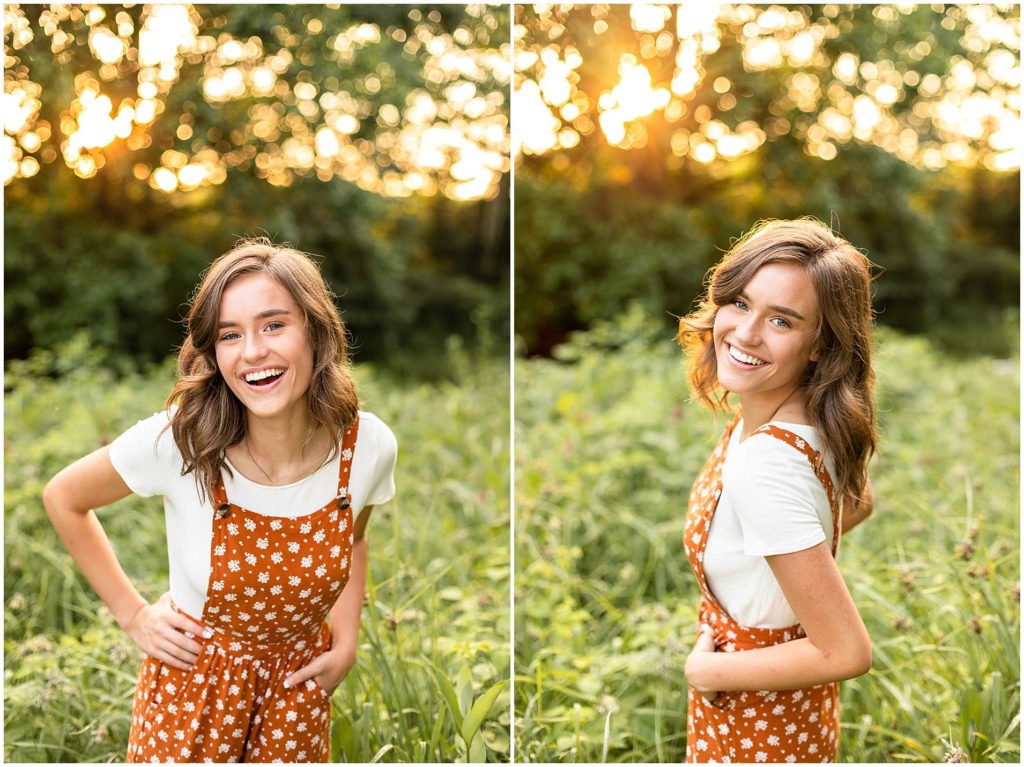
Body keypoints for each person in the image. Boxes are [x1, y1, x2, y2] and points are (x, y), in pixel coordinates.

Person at [43, 238, 397, 763]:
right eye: (230, 335)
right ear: (213, 352)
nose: (253, 352)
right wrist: (133, 615)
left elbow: (355, 539)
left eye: (274, 325)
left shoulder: (366, 446)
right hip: (192, 697)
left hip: (296, 701)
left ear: (316, 333)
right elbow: (63, 497)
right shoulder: (182, 441)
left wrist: (344, 641)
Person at [677, 219, 876, 763]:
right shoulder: (806, 415)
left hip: (758, 717)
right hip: (791, 709)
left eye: (781, 321)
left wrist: (708, 669)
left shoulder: (766, 464)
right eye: (740, 303)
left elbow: (846, 651)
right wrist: (771, 560)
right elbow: (858, 502)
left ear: (820, 345)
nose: (744, 334)